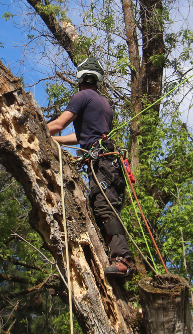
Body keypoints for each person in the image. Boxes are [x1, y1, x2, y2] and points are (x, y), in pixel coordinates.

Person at [47, 57, 134, 278]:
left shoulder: (82, 96)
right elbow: (82, 136)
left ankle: (123, 260)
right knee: (102, 209)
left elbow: (58, 125)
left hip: (102, 163)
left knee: (105, 208)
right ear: (98, 80)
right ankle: (114, 258)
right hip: (110, 163)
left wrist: (34, 128)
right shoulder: (105, 104)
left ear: (80, 78)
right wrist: (56, 141)